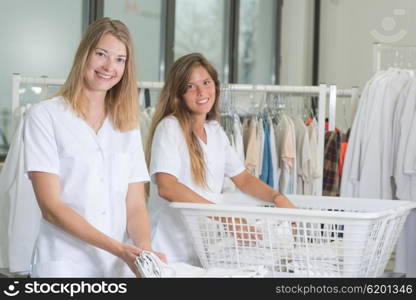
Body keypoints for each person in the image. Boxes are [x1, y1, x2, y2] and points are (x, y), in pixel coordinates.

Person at [24, 18, 164, 278]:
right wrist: (118, 249)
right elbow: (51, 206)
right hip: (65, 264)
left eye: (120, 59)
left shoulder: (127, 124)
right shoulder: (44, 116)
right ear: (84, 54)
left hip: (117, 268)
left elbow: (134, 203)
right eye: (102, 54)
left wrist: (143, 250)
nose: (109, 67)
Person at [146, 53, 296, 266]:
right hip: (166, 248)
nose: (201, 92)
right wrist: (227, 219)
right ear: (178, 94)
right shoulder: (170, 128)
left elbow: (243, 178)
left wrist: (278, 198)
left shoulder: (215, 131)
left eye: (206, 83)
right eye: (190, 86)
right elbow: (167, 186)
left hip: (200, 248)